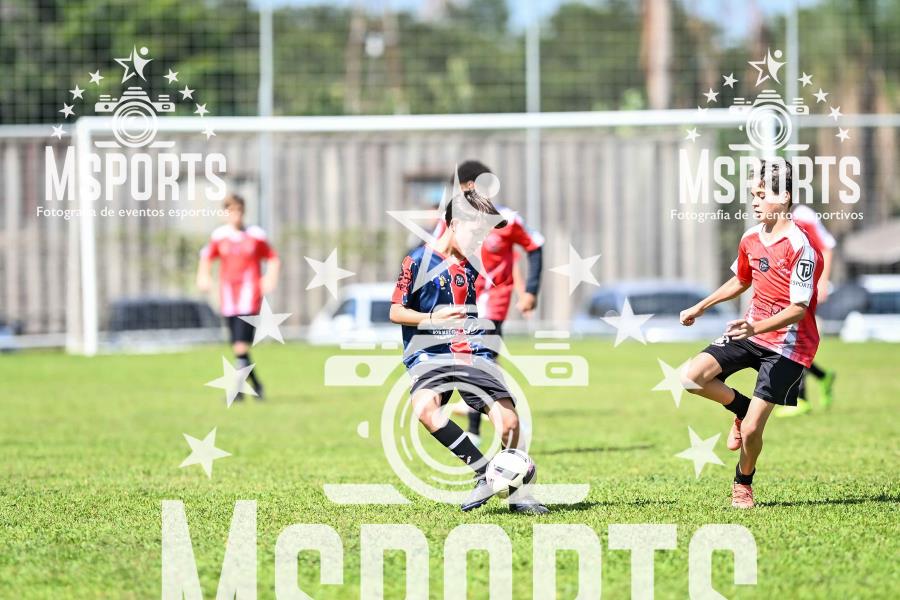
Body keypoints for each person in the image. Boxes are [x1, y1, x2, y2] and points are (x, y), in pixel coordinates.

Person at [390, 188, 548, 514]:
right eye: (476, 233)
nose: (481, 241)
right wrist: (432, 319)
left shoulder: (471, 265)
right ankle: (484, 472)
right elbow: (395, 312)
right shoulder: (416, 261)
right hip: (429, 355)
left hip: (470, 351)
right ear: (454, 224)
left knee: (509, 423)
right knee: (425, 410)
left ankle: (518, 496)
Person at [679, 161, 822, 508]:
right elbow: (742, 279)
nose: (755, 202)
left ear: (784, 197)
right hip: (752, 332)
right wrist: (701, 306)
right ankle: (741, 408)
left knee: (754, 430)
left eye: (762, 195)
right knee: (690, 378)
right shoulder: (750, 237)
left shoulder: (800, 246)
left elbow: (798, 309)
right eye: (752, 195)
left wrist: (754, 327)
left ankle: (743, 483)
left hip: (789, 345)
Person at [435, 160, 544, 444]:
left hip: (493, 301)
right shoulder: (451, 219)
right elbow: (436, 251)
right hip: (460, 301)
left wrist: (530, 291)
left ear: (471, 186)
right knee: (472, 360)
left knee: (481, 360)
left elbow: (535, 245)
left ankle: (478, 429)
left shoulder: (507, 220)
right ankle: (490, 420)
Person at [196, 194, 280, 401]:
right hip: (228, 298)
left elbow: (273, 258)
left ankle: (237, 391)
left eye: (239, 210)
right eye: (231, 211)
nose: (236, 215)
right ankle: (255, 386)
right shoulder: (220, 236)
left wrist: (270, 278)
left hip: (249, 297)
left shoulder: (255, 235)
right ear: (225, 213)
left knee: (240, 346)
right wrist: (203, 276)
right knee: (237, 346)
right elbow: (206, 257)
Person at [775, 203, 838, 417]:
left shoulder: (802, 215)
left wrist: (823, 282)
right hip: (788, 290)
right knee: (784, 341)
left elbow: (826, 246)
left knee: (793, 340)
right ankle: (821, 376)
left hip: (806, 289)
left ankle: (800, 399)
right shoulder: (776, 219)